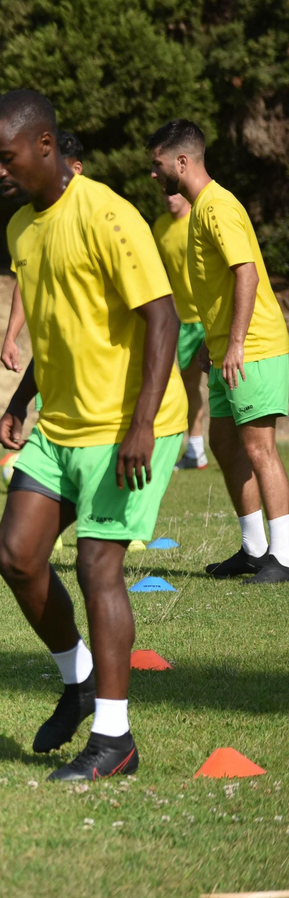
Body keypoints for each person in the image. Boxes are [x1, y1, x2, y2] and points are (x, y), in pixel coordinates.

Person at [0, 89, 186, 781]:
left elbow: (161, 317)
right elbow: (60, 327)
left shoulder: (107, 214)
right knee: (15, 556)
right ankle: (77, 680)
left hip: (126, 426)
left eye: (4, 159)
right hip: (61, 424)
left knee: (98, 568)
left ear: (45, 147)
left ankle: (114, 738)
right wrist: (22, 398)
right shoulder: (22, 229)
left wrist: (141, 422)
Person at [150, 119, 289, 584]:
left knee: (259, 448)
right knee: (224, 444)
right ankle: (254, 550)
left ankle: (285, 557)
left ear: (182, 162)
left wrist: (234, 343)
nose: (155, 175)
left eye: (158, 165)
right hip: (228, 348)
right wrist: (215, 344)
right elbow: (219, 286)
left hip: (254, 348)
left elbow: (246, 272)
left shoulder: (218, 207)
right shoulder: (198, 209)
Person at [0, 132, 83, 373]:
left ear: (76, 169)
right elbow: (26, 282)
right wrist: (10, 337)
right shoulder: (20, 223)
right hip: (48, 357)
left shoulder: (98, 214)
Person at [148, 183, 209, 470]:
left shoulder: (200, 219)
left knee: (227, 385)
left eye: (174, 192)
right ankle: (195, 451)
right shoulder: (159, 226)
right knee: (188, 386)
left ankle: (245, 446)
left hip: (210, 318)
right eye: (165, 193)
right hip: (183, 322)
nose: (169, 198)